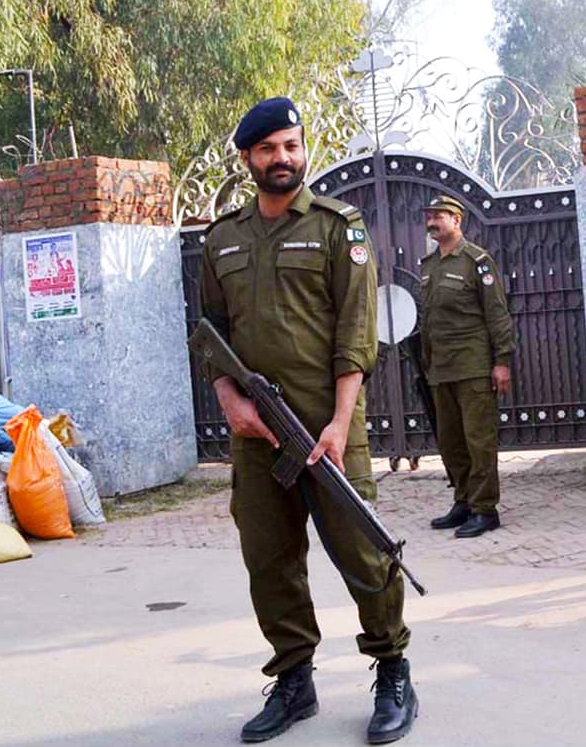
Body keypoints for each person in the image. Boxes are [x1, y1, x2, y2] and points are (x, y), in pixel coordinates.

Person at [201, 97, 417, 745]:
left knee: (362, 552)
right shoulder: (223, 239)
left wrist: (340, 422)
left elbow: (357, 332)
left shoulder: (337, 227)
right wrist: (227, 398)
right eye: (268, 149)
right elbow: (210, 334)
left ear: (303, 149)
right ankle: (294, 680)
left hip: (329, 429)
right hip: (254, 435)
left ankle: (392, 669)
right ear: (248, 159)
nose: (282, 158)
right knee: (269, 558)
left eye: (291, 146)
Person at [418, 194, 516, 539]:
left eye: (439, 215)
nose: (432, 221)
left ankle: (485, 509)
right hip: (440, 369)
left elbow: (497, 314)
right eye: (429, 216)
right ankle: (463, 502)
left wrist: (501, 362)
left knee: (479, 442)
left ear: (456, 220)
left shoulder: (478, 261)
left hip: (473, 367)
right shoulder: (428, 265)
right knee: (451, 442)